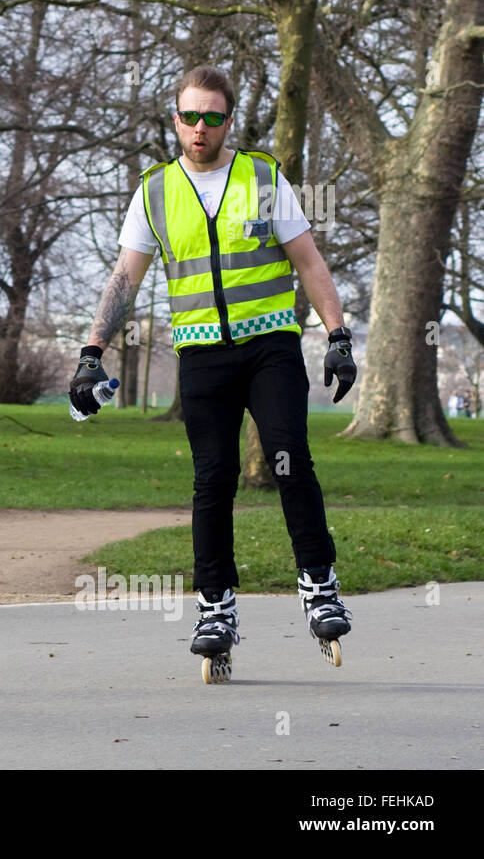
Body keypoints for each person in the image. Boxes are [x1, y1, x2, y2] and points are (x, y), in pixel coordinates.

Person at [70, 66, 358, 678]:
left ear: (229, 121)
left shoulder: (261, 176)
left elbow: (308, 260)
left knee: (289, 457)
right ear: (174, 118)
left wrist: (337, 336)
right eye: (189, 116)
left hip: (271, 346)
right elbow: (126, 280)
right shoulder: (153, 190)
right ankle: (215, 608)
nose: (200, 128)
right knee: (213, 478)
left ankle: (319, 583)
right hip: (202, 353)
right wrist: (91, 352)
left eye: (213, 117)